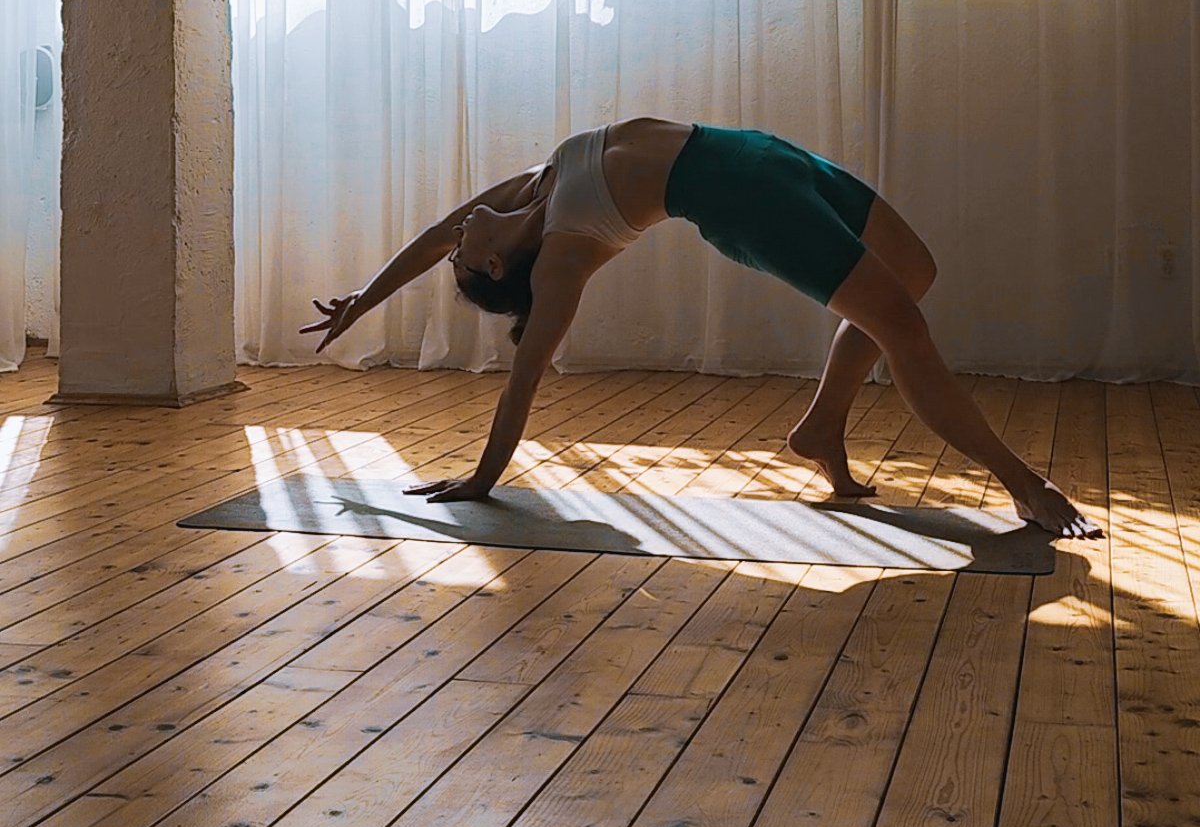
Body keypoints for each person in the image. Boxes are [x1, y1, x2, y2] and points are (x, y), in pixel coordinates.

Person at [302, 117, 1100, 538]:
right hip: (745, 202)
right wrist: (483, 479)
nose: (457, 240)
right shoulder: (561, 260)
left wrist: (362, 301)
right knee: (906, 327)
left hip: (762, 155)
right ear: (497, 269)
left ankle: (821, 427)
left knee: (914, 270)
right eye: (461, 260)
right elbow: (524, 378)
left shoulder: (531, 189)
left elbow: (434, 235)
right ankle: (1023, 485)